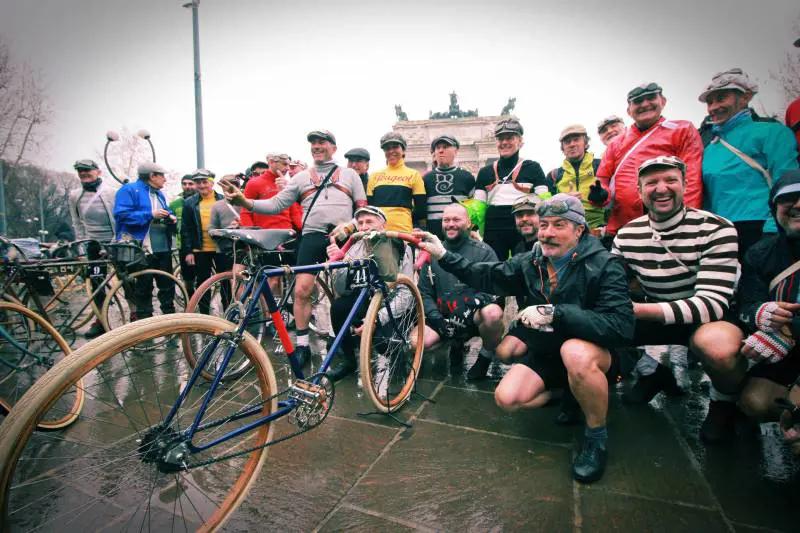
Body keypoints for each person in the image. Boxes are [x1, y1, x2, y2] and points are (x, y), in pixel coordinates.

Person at [416, 194, 634, 483]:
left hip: (594, 352)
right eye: (544, 225)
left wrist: (557, 313)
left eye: (559, 225)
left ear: (580, 230)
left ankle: (596, 436)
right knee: (506, 398)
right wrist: (444, 255)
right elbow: (487, 275)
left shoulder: (606, 264)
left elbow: (621, 326)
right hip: (548, 350)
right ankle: (571, 391)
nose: (547, 233)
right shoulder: (532, 261)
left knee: (575, 353)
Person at [612, 156, 744, 443]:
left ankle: (723, 401)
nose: (661, 189)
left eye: (670, 180)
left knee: (718, 348)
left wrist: (635, 309)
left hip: (706, 320)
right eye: (651, 183)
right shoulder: (626, 234)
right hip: (657, 311)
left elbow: (711, 305)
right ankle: (654, 371)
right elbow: (612, 286)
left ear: (685, 184)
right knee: (596, 325)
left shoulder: (717, 228)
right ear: (639, 190)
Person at [220, 129, 367, 367]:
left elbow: (362, 210)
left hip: (343, 238)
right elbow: (276, 204)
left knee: (342, 294)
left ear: (334, 148)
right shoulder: (300, 178)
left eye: (322, 142)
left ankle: (342, 345)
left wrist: (349, 227)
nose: (317, 146)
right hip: (311, 237)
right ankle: (302, 345)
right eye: (313, 143)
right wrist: (245, 202)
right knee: (301, 290)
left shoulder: (350, 175)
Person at [700, 68, 799, 259]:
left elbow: (787, 181)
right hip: (720, 233)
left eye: (721, 98)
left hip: (762, 226)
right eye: (710, 101)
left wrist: (773, 230)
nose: (713, 107)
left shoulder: (772, 132)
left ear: (745, 98)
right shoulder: (709, 147)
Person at [590, 82, 704, 238]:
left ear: (662, 101)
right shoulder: (616, 144)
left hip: (668, 223)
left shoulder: (682, 129)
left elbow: (691, 178)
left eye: (650, 98)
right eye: (637, 101)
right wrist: (600, 195)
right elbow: (602, 179)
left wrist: (687, 221)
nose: (644, 104)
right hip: (622, 227)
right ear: (629, 111)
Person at [737, 171, 800, 430]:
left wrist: (789, 331)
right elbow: (746, 302)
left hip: (789, 342)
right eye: (789, 199)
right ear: (774, 208)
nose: (797, 205)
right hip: (787, 356)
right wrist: (759, 314)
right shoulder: (761, 252)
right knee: (755, 401)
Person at [324, 206, 414, 381]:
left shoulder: (399, 246)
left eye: (369, 222)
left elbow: (406, 294)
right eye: (361, 223)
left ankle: (397, 357)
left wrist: (377, 318)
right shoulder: (355, 246)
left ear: (383, 225)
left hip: (391, 305)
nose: (364, 227)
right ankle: (349, 361)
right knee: (339, 307)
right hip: (364, 300)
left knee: (381, 337)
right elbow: (342, 289)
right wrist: (339, 262)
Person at [417, 203, 503, 380]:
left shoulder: (484, 251)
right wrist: (435, 318)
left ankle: (484, 359)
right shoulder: (432, 251)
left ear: (469, 222)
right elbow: (424, 292)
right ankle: (454, 343)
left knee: (493, 314)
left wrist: (470, 306)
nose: (450, 224)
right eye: (446, 220)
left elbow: (496, 287)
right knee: (416, 343)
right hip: (444, 318)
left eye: (456, 219)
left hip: (472, 317)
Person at [474, 119, 550, 260]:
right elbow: (478, 207)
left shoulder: (533, 167)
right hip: (494, 229)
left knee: (526, 269)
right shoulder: (485, 172)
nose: (504, 142)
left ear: (520, 140)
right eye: (500, 139)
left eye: (509, 138)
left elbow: (544, 202)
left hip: (523, 225)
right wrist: (474, 229)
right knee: (495, 270)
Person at [113, 162, 178, 320]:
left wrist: (170, 217)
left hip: (163, 247)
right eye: (162, 175)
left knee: (167, 284)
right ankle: (144, 323)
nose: (165, 179)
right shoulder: (128, 190)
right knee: (143, 286)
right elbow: (121, 215)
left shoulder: (159, 194)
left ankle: (170, 319)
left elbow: (164, 212)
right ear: (152, 176)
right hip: (141, 248)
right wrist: (150, 215)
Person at [68, 159, 116, 338]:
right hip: (92, 243)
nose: (84, 174)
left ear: (98, 172)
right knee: (96, 281)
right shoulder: (75, 195)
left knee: (127, 278)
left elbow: (118, 218)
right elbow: (77, 222)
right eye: (80, 171)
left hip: (113, 241)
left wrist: (115, 240)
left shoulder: (111, 192)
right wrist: (82, 245)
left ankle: (135, 314)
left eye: (88, 170)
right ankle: (100, 319)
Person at [181, 169, 232, 314]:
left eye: (205, 182)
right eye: (198, 183)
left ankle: (229, 313)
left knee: (225, 282)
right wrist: (188, 251)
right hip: (200, 249)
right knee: (203, 283)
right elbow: (185, 229)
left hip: (221, 248)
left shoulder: (223, 199)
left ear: (212, 183)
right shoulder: (189, 203)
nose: (202, 185)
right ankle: (205, 315)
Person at [367, 132, 427, 233]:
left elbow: (421, 208)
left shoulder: (414, 175)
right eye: (387, 148)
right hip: (379, 233)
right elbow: (371, 208)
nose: (391, 151)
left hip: (405, 233)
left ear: (403, 150)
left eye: (395, 147)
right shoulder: (374, 176)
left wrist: (420, 227)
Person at [548, 125, 603, 230]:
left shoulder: (601, 165)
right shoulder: (553, 175)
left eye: (576, 140)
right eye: (567, 142)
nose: (572, 144)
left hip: (599, 229)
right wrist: (562, 199)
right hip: (566, 231)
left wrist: (602, 196)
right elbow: (544, 202)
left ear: (585, 143)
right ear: (562, 148)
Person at [422, 135, 476, 238]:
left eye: (445, 147)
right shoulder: (425, 179)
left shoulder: (467, 177)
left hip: (460, 235)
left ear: (455, 151)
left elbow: (473, 209)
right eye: (438, 148)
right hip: (433, 235)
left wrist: (473, 229)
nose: (441, 151)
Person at [239, 156, 302, 232]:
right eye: (284, 164)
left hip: (287, 235)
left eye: (289, 165)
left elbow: (294, 213)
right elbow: (245, 212)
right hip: (264, 237)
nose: (288, 168)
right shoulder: (254, 183)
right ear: (271, 163)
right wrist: (252, 236)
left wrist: (306, 231)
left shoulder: (288, 184)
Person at [169, 174, 197, 298]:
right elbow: (169, 223)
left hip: (201, 245)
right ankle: (190, 301)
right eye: (184, 184)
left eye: (190, 184)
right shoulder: (175, 203)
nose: (187, 186)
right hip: (183, 245)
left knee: (203, 277)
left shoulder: (201, 201)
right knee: (188, 277)